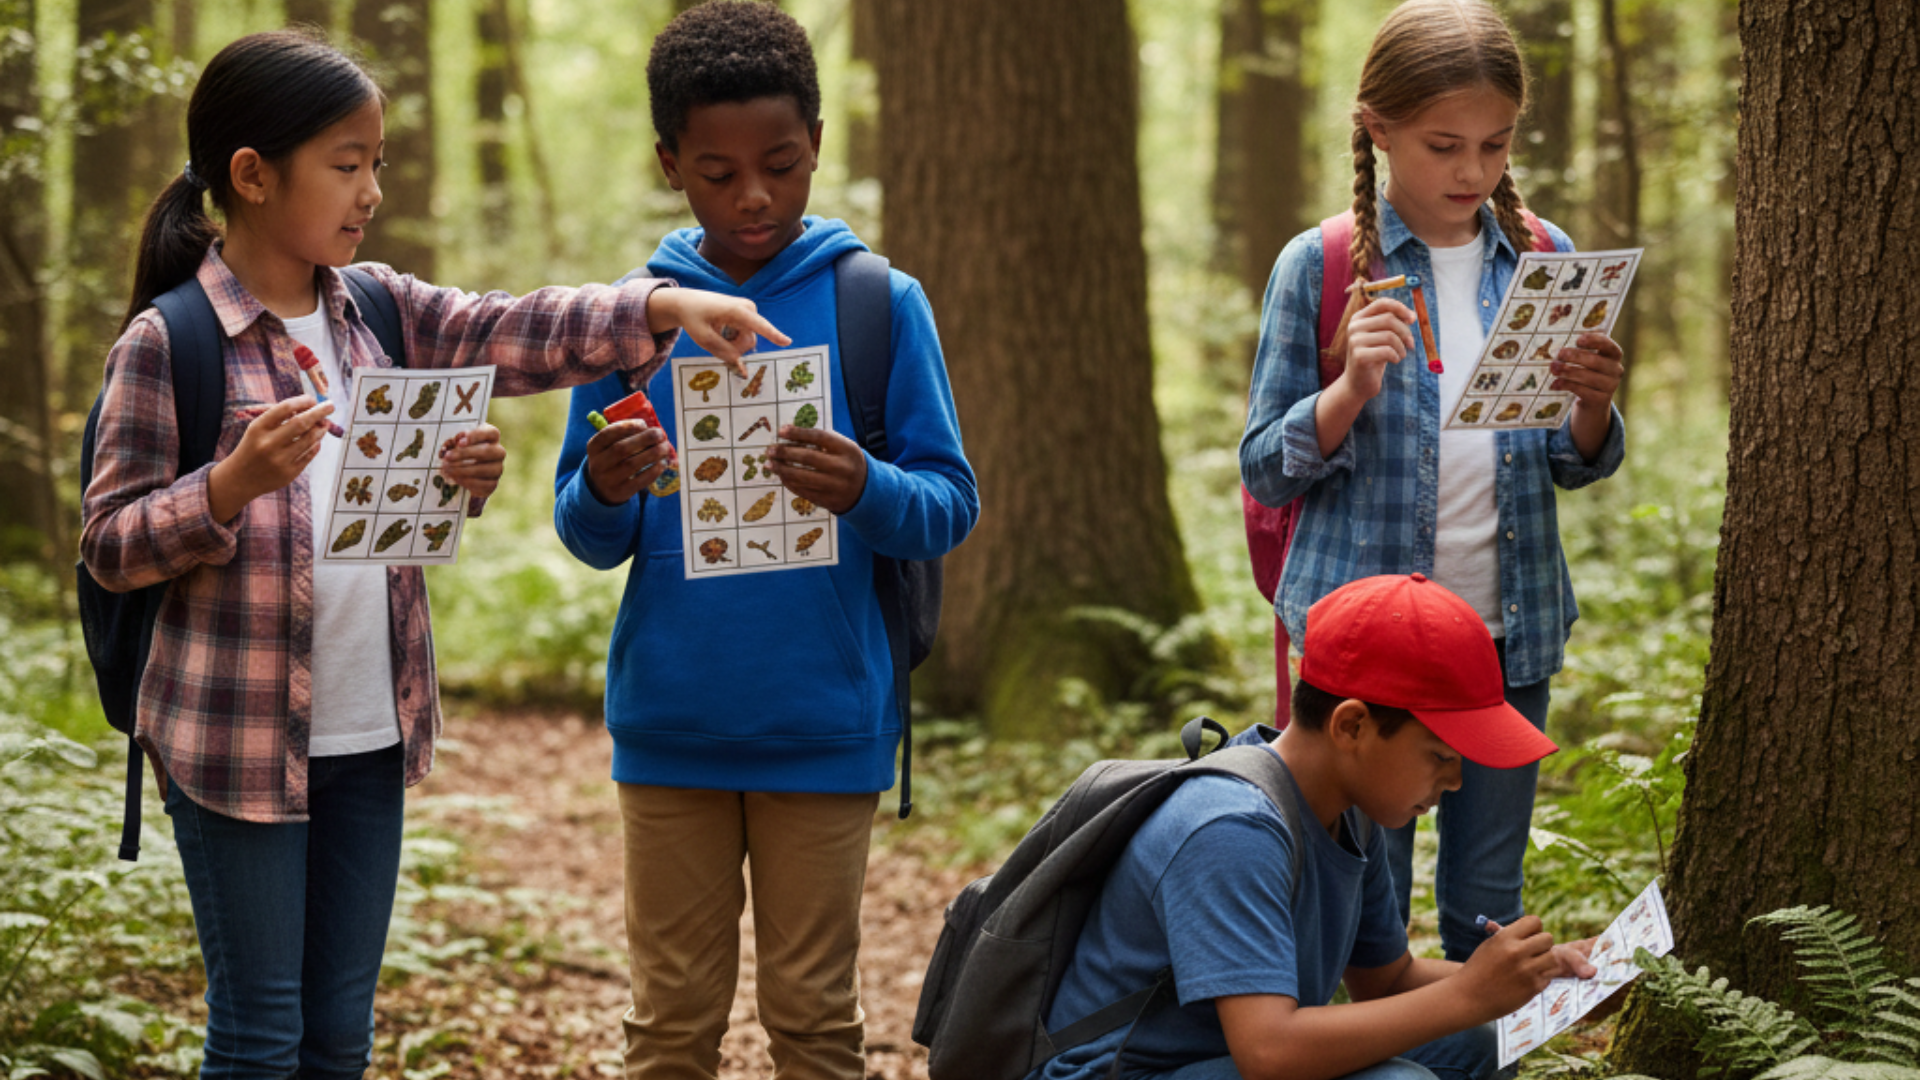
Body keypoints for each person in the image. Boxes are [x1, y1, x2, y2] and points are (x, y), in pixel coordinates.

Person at [78, 29, 778, 1080]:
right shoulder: (171, 344)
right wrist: (227, 485)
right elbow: (108, 545)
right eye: (345, 164)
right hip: (233, 742)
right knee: (260, 1037)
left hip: (370, 730)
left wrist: (660, 306)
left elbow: (517, 329)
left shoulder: (377, 311)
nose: (370, 191)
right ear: (253, 177)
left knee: (340, 1041)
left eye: (378, 163)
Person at [550, 3, 978, 1077]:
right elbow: (587, 533)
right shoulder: (632, 321)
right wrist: (605, 488)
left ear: (818, 146)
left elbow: (948, 502)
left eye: (781, 165)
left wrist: (866, 486)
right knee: (668, 1027)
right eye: (717, 171)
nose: (753, 196)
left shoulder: (878, 302)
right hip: (671, 726)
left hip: (825, 727)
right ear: (668, 165)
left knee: (814, 1022)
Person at [1238, 0, 1627, 962]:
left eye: (1495, 146)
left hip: (1509, 626)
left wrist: (1589, 405)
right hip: (1368, 649)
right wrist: (1349, 388)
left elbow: (1569, 462)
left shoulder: (1543, 258)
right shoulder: (1322, 264)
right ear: (1377, 127)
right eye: (1444, 145)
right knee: (1358, 897)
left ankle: (1478, 1060)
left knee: (1488, 895)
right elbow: (1262, 466)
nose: (1472, 173)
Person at [1037, 573, 1596, 1080]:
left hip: (1219, 1061)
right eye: (1441, 757)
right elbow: (1269, 1053)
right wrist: (1469, 995)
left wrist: (1530, 977)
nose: (1456, 783)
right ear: (1351, 725)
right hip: (1122, 1073)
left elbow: (1388, 980)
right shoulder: (1232, 829)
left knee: (1478, 1042)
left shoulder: (1351, 813)